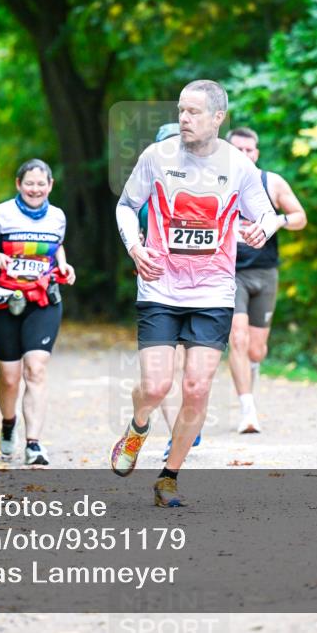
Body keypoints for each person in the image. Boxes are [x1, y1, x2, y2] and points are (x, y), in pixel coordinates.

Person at [111, 80, 279, 507]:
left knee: (197, 387)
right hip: (160, 285)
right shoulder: (157, 157)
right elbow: (127, 206)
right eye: (181, 110)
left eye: (194, 112)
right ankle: (139, 423)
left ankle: (169, 477)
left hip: (213, 291)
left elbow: (266, 213)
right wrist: (135, 246)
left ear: (218, 118)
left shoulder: (238, 166)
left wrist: (264, 226)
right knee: (155, 386)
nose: (183, 119)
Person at [0, 159, 76, 466]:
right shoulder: (1, 214)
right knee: (10, 378)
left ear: (50, 186)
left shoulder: (57, 216)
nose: (35, 189)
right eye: (29, 183)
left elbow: (57, 246)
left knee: (36, 370)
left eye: (41, 184)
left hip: (42, 300)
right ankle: (8, 423)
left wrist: (64, 265)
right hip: (3, 302)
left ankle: (34, 444)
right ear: (18, 184)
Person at [226, 127, 307, 433]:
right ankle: (247, 409)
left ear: (256, 153)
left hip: (264, 271)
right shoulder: (218, 185)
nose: (245, 155)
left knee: (257, 349)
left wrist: (277, 220)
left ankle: (250, 375)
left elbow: (300, 216)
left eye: (250, 150)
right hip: (230, 273)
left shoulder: (271, 183)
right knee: (237, 338)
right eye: (238, 150)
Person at [139, 123, 201, 462]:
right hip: (161, 288)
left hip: (201, 289)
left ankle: (191, 411)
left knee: (194, 370)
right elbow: (131, 229)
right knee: (164, 375)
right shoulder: (146, 192)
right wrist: (138, 252)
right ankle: (175, 434)